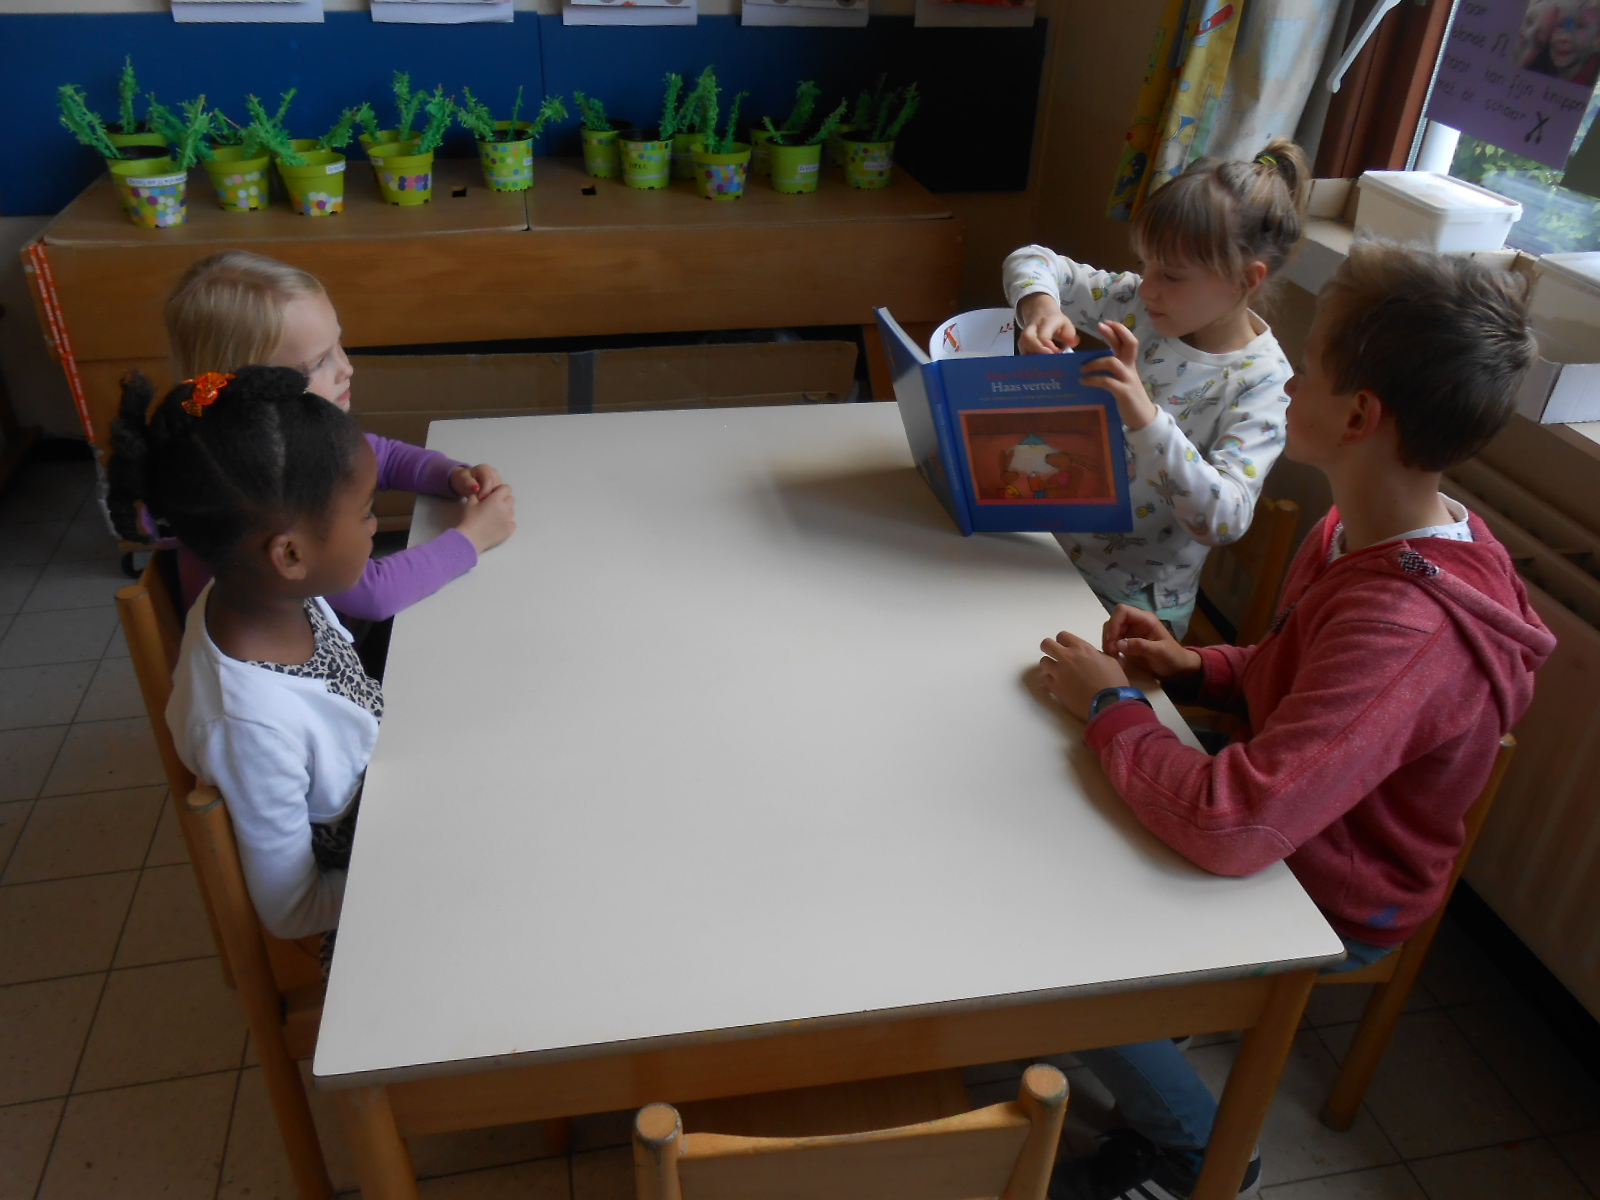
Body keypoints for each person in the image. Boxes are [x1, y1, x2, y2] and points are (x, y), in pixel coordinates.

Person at [1034, 242, 1556, 1200]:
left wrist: (1111, 703)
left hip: (1331, 889)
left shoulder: (1406, 627)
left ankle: (1200, 1156)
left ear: (1357, 415)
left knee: (1050, 950)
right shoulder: (1366, 530)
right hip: (1296, 818)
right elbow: (1302, 682)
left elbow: (1232, 827)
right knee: (1061, 848)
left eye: (1307, 366)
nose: (1288, 373)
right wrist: (1200, 665)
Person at [108, 367, 384, 962]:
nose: (375, 527)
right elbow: (294, 910)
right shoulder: (248, 725)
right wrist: (411, 879)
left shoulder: (262, 594)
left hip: (382, 795)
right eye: (365, 512)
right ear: (290, 553)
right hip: (365, 890)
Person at [1002, 139, 1309, 637]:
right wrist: (1040, 305)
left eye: (1170, 275)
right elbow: (1034, 259)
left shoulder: (1263, 382)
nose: (1146, 286)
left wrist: (1144, 417)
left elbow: (1224, 519)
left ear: (1246, 280)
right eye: (1145, 264)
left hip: (1132, 604)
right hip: (1047, 547)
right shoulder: (1138, 304)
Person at [162, 250, 516, 630]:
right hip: (300, 664)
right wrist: (471, 539)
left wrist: (449, 474)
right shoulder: (268, 483)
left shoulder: (284, 435)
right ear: (253, 387)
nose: (347, 367)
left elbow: (383, 457)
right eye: (318, 363)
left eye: (338, 345)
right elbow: (372, 593)